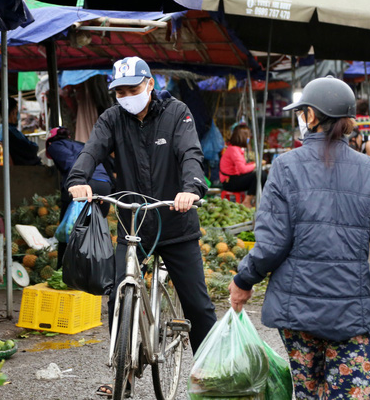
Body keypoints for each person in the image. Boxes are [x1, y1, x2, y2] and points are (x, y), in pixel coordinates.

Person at [229, 76, 370, 400]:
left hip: (296, 313)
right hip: (349, 317)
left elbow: (272, 243)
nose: (301, 118)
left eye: (302, 112)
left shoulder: (285, 167)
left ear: (311, 117)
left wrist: (244, 280)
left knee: (309, 393)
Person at [66, 56, 217, 397]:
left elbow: (191, 154)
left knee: (197, 304)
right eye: (119, 91)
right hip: (134, 222)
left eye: (132, 89)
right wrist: (78, 179)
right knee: (119, 293)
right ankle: (126, 370)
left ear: (150, 84)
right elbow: (91, 150)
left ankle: (211, 373)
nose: (126, 96)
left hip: (175, 221)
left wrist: (190, 190)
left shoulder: (177, 113)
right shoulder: (112, 118)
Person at [45, 126, 113, 268]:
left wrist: (76, 182)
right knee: (97, 229)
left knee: (68, 230)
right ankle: (96, 271)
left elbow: (70, 164)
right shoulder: (80, 144)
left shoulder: (55, 146)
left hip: (83, 184)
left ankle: (65, 270)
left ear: (50, 142)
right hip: (104, 185)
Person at [218, 124, 266, 207]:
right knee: (260, 175)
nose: (249, 139)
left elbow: (241, 166)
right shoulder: (234, 150)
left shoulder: (235, 149)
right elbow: (242, 169)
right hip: (230, 182)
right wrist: (256, 164)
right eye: (248, 136)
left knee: (261, 175)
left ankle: (255, 200)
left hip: (233, 179)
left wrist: (253, 164)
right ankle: (247, 201)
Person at [0, 97, 42, 166]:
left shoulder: (9, 129)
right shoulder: (8, 131)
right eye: (17, 110)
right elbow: (31, 150)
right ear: (13, 112)